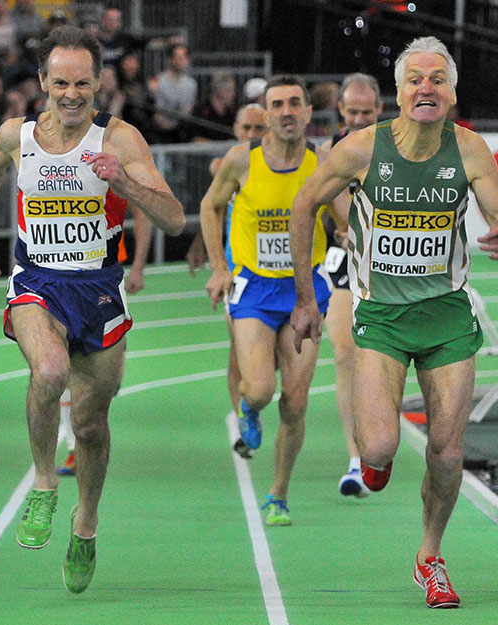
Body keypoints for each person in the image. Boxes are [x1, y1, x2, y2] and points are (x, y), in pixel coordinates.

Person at [288, 36, 498, 608]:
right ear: (398, 92)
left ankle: (430, 555)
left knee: (446, 450)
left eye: (437, 79)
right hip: (383, 318)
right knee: (378, 446)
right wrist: (305, 299)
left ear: (451, 91)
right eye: (415, 79)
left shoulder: (469, 150)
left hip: (447, 317)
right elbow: (303, 207)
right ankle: (375, 462)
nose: (426, 88)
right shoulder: (358, 150)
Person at [0, 26, 185, 593]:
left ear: (98, 83)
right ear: (41, 81)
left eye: (81, 83)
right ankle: (44, 482)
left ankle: (85, 523)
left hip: (99, 290)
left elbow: (174, 219)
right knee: (51, 370)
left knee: (90, 424)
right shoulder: (17, 135)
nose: (70, 93)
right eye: (59, 82)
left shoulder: (120, 140)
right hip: (37, 280)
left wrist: (126, 186)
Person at [200, 75, 336, 526]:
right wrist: (220, 267)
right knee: (259, 388)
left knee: (295, 403)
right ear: (266, 112)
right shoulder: (241, 161)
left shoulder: (323, 162)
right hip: (255, 289)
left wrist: (360, 245)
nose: (287, 112)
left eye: (295, 103)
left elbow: (345, 219)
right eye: (278, 104)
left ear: (308, 112)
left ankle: (278, 494)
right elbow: (209, 206)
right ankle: (247, 406)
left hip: (306, 289)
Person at [185, 103, 269, 458]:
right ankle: (241, 420)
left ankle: (252, 401)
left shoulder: (287, 166)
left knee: (269, 360)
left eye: (259, 128)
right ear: (235, 130)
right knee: (240, 351)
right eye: (246, 128)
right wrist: (202, 248)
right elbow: (213, 209)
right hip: (241, 272)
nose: (252, 135)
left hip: (282, 275)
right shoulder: (229, 166)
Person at [319, 72, 383, 498]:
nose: (359, 118)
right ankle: (356, 458)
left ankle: (379, 440)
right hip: (346, 259)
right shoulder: (330, 150)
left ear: (380, 110)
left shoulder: (398, 144)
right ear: (341, 110)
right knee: (344, 352)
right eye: (352, 111)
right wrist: (347, 225)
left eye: (367, 112)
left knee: (379, 357)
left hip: (392, 261)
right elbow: (332, 204)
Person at [153, 43, 197, 143]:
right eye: (178, 57)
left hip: (182, 132)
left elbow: (188, 110)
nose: (181, 61)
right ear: (170, 59)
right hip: (162, 133)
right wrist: (167, 127)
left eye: (184, 57)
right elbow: (157, 113)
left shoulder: (191, 84)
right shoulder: (158, 81)